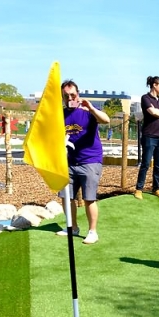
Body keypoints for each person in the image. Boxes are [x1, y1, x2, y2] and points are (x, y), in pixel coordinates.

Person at [56, 79, 110, 244]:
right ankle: (73, 227)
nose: (70, 98)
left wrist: (92, 108)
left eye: (72, 95)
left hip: (90, 160)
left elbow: (106, 120)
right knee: (66, 197)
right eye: (66, 96)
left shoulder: (88, 111)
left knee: (89, 198)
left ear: (78, 94)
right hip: (70, 162)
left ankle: (93, 231)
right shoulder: (60, 114)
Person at [134, 76, 159, 201]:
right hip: (149, 136)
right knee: (145, 163)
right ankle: (139, 189)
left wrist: (158, 112)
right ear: (154, 85)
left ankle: (156, 189)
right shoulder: (145, 98)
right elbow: (152, 112)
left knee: (158, 165)